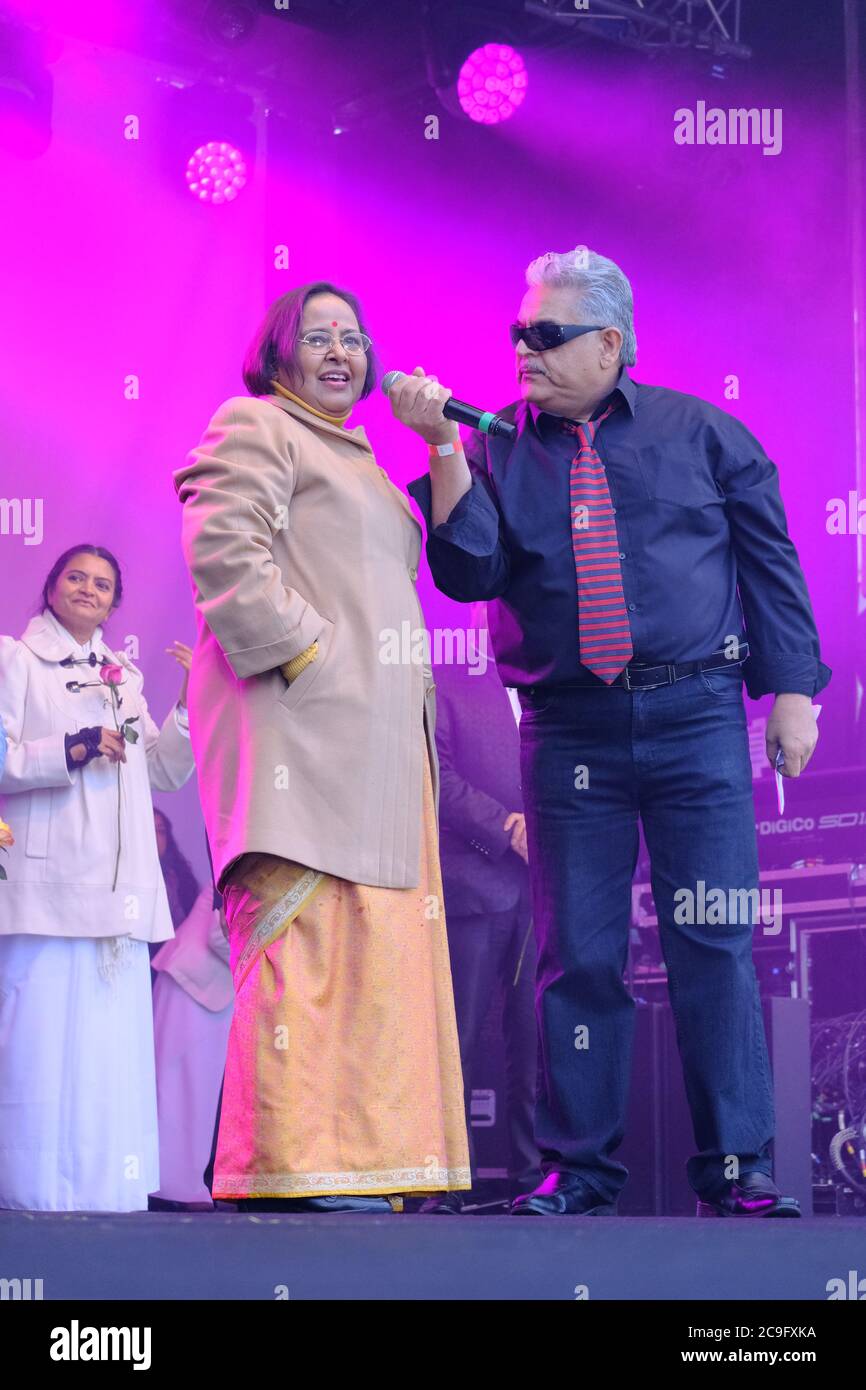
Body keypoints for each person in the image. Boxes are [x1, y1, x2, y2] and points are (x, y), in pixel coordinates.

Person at [396, 246, 830, 1219]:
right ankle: (576, 1169)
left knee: (709, 938)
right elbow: (468, 578)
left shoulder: (705, 435)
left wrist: (792, 692)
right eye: (517, 333)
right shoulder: (495, 442)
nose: (523, 350)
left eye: (545, 336)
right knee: (574, 951)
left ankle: (736, 1167)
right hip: (569, 728)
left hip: (695, 715)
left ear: (609, 342)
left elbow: (771, 569)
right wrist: (440, 453)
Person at [174, 281, 470, 1212]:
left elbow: (459, 555)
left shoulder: (373, 468)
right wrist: (312, 655)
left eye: (354, 337)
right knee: (300, 958)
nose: (340, 351)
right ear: (281, 351)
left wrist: (444, 445)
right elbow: (224, 547)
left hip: (378, 755)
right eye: (319, 336)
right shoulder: (258, 423)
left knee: (372, 959)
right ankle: (285, 1168)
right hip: (297, 736)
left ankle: (354, 1168)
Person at [0, 545, 195, 1211]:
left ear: (116, 603)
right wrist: (74, 748)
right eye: (76, 577)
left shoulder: (125, 678)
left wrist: (192, 706)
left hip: (116, 893)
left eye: (103, 584)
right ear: (51, 586)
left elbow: (162, 773)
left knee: (105, 1056)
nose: (88, 589)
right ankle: (28, 1195)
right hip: (46, 889)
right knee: (39, 1048)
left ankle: (106, 1197)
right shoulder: (14, 660)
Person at [421, 605, 541, 1213]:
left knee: (537, 1042)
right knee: (456, 1041)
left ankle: (536, 1180)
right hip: (471, 888)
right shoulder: (449, 684)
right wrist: (504, 826)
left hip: (544, 893)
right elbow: (434, 776)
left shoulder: (554, 687)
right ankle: (439, 1182)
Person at [149, 817, 233, 1212]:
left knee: (178, 1090)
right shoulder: (238, 865)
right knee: (185, 1092)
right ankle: (176, 1187)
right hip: (196, 990)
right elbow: (222, 936)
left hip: (193, 988)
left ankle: (171, 1184)